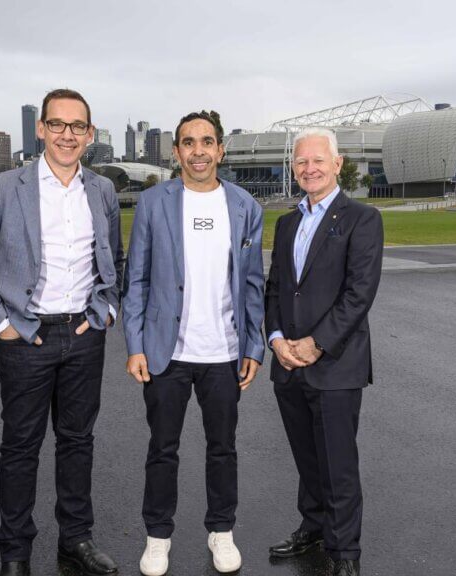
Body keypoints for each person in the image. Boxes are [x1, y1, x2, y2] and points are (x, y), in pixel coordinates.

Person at [0, 88, 124, 576]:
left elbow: (114, 259)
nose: (67, 135)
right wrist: (2, 325)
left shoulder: (102, 190)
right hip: (26, 338)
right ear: (41, 129)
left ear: (89, 134)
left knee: (77, 442)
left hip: (84, 334)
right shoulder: (5, 189)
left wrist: (106, 311)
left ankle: (75, 540)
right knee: (21, 446)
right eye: (58, 124)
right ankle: (15, 553)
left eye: (77, 127)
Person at [121, 110, 265, 576]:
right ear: (176, 151)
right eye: (188, 142)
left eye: (207, 141)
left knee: (223, 447)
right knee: (163, 449)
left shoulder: (245, 206)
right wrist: (135, 345)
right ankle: (157, 537)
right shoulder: (153, 203)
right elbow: (136, 279)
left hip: (223, 353)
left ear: (220, 150)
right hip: (167, 353)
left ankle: (221, 531)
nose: (198, 150)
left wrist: (254, 347)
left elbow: (253, 283)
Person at [263, 127, 384, 576]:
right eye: (301, 162)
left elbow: (359, 293)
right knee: (308, 458)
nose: (309, 168)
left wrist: (315, 344)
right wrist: (275, 339)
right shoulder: (287, 221)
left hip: (334, 362)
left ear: (338, 164)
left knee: (338, 464)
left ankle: (344, 552)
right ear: (293, 168)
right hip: (288, 364)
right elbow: (275, 288)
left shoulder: (362, 218)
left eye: (318, 160)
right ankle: (313, 529)